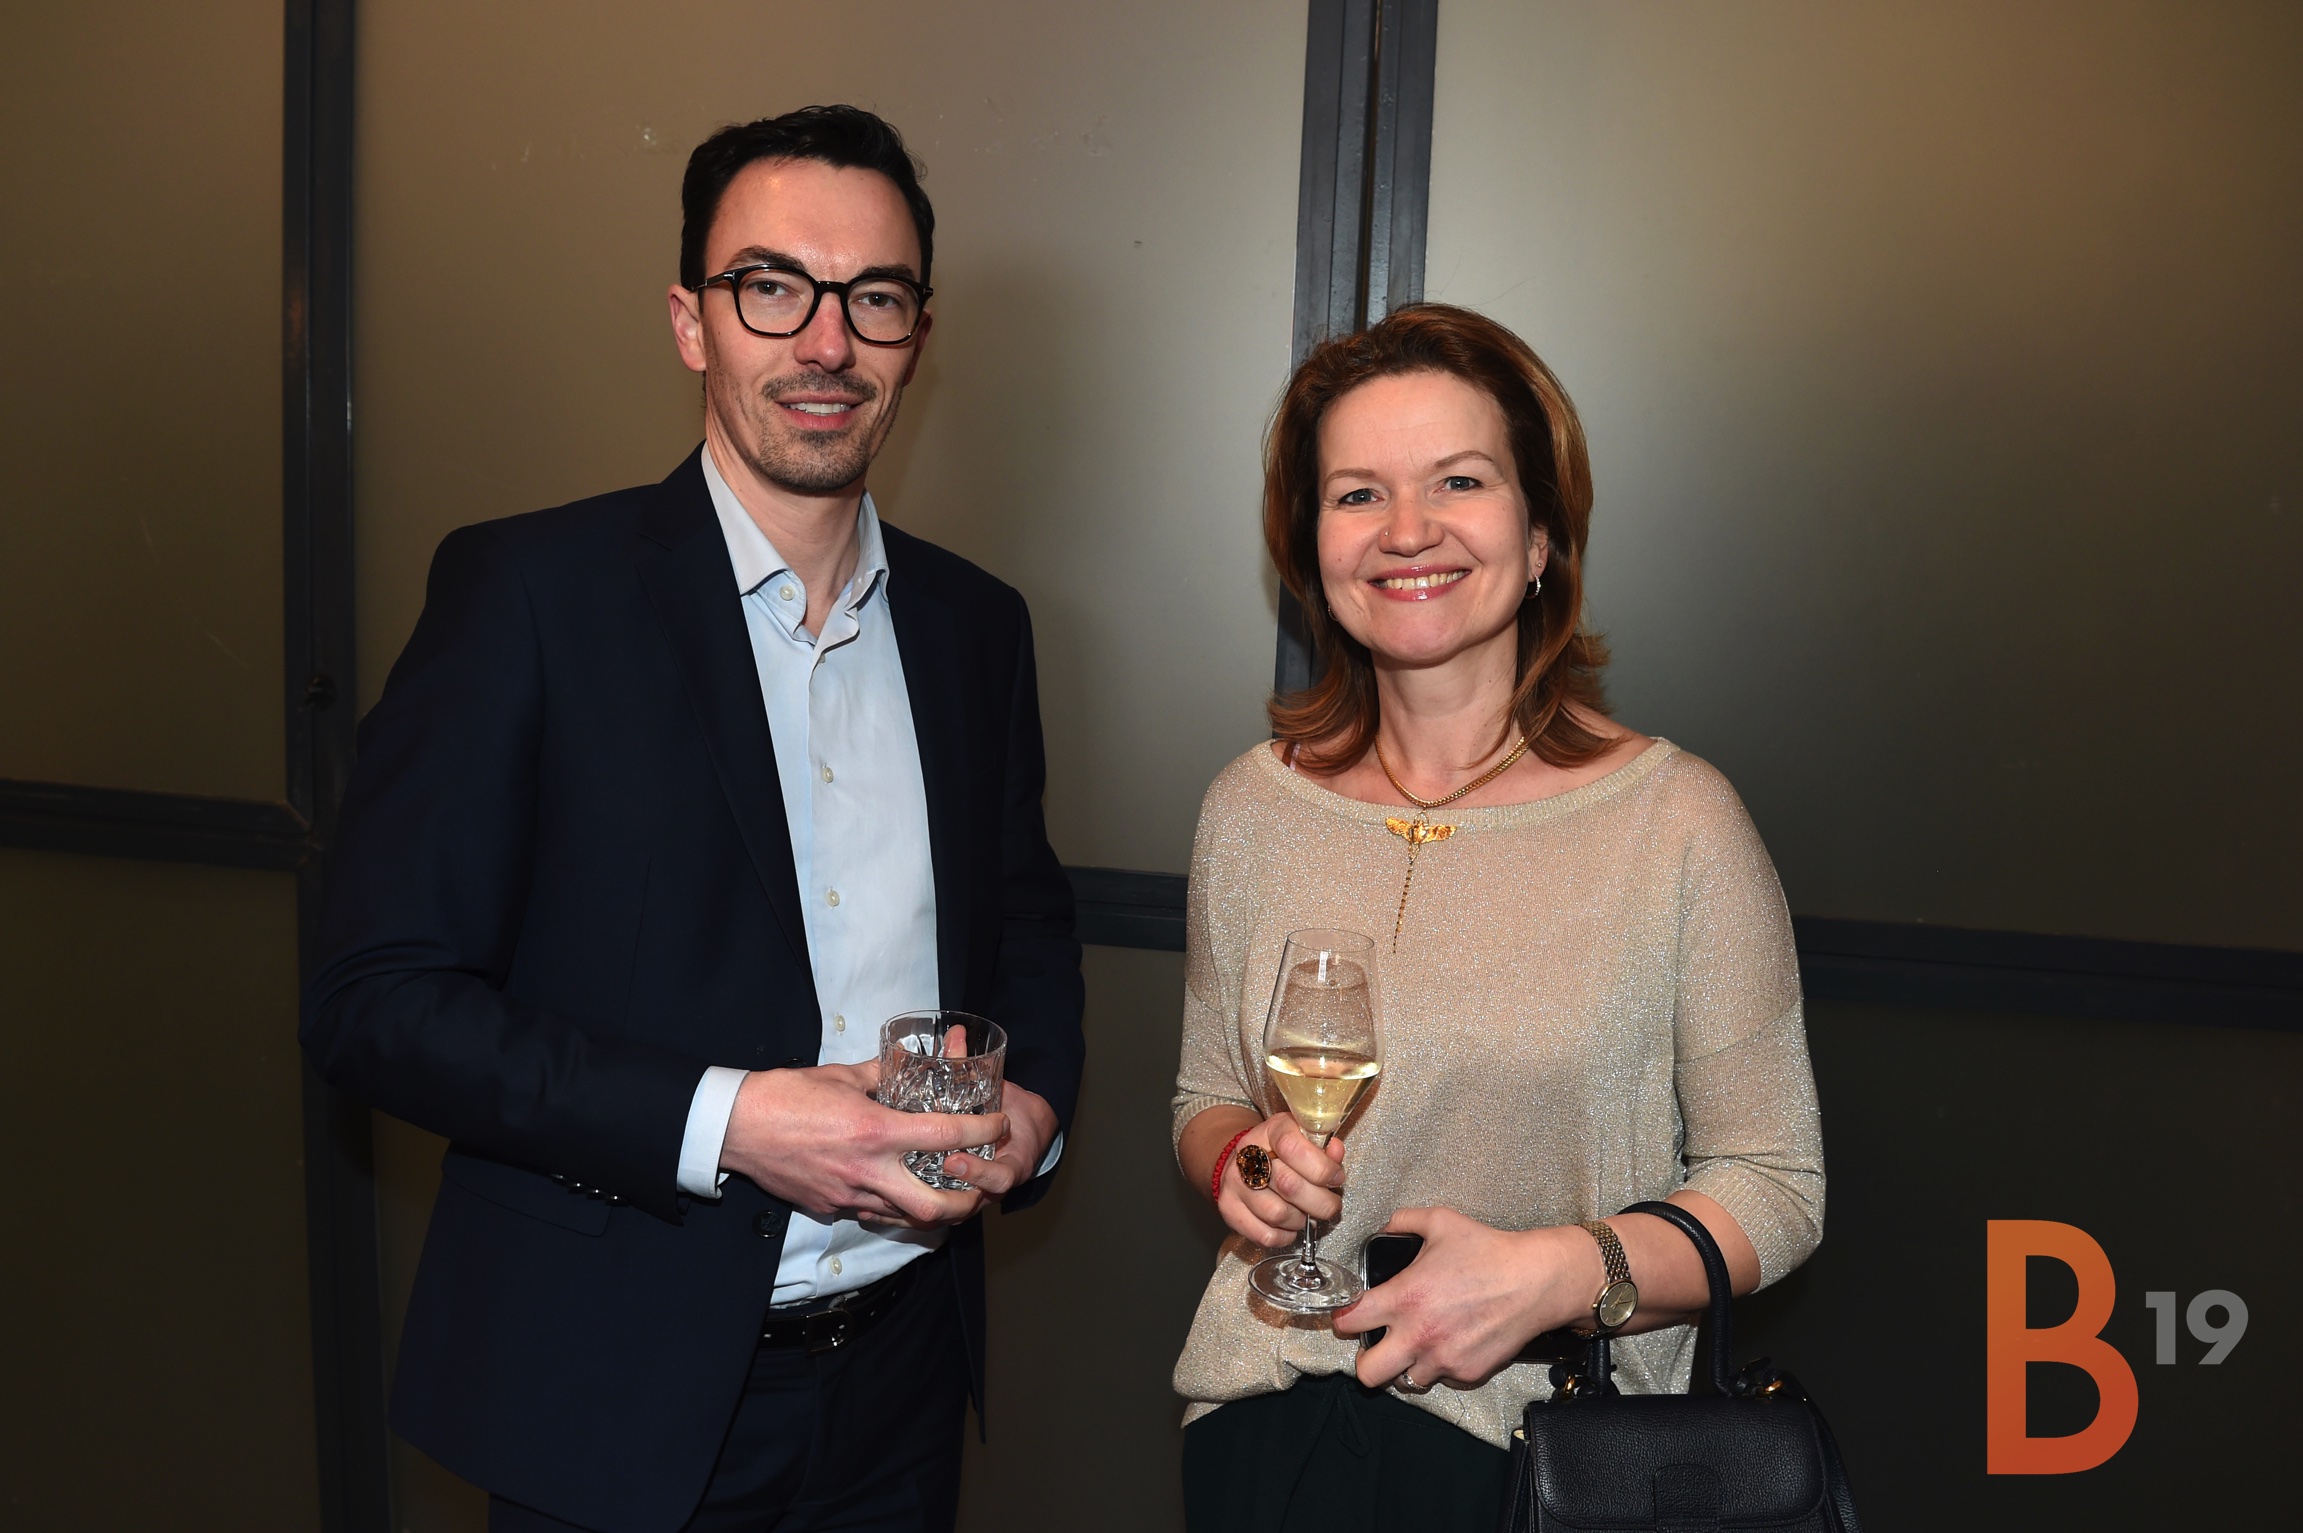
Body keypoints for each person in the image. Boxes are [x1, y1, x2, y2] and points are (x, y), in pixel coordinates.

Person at [302, 106, 1085, 1533]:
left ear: (916, 336)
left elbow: (1023, 916)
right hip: (614, 1392)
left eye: (874, 297)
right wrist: (730, 1121)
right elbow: (375, 1001)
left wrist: (1029, 1113)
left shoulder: (977, 625)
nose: (826, 341)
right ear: (690, 322)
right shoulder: (528, 596)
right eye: (771, 286)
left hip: (904, 1381)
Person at [1168, 303, 1824, 1530]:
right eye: (1356, 495)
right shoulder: (1250, 808)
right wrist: (1241, 1166)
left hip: (1543, 1456)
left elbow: (1776, 1186)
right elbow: (1206, 1095)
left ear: (1539, 537)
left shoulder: (1675, 820)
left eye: (1457, 481)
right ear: (1310, 546)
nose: (1405, 530)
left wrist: (1557, 1276)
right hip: (1262, 1433)